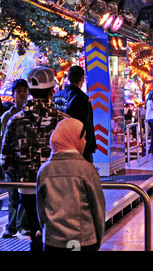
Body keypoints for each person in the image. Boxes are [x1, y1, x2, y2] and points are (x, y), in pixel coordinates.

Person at [1, 66, 69, 251]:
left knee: (34, 229)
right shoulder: (64, 120)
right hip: (57, 187)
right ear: (52, 91)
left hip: (27, 188)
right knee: (55, 233)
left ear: (29, 91)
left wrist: (20, 179)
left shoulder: (15, 121)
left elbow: (5, 158)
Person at [37, 118, 105, 251]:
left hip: (53, 242)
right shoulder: (87, 170)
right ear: (73, 138)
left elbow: (41, 210)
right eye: (83, 137)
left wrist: (47, 234)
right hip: (82, 241)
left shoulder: (44, 170)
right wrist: (97, 239)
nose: (85, 142)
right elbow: (98, 210)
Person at [0, 79, 30, 238]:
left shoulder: (30, 114)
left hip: (27, 162)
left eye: (25, 91)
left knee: (25, 195)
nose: (22, 94)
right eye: (19, 91)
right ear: (13, 94)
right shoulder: (7, 116)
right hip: (11, 162)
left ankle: (22, 226)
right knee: (12, 196)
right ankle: (11, 227)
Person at [52, 65, 97, 162]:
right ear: (82, 79)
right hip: (78, 146)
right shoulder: (82, 98)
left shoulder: (56, 97)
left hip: (59, 142)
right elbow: (84, 124)